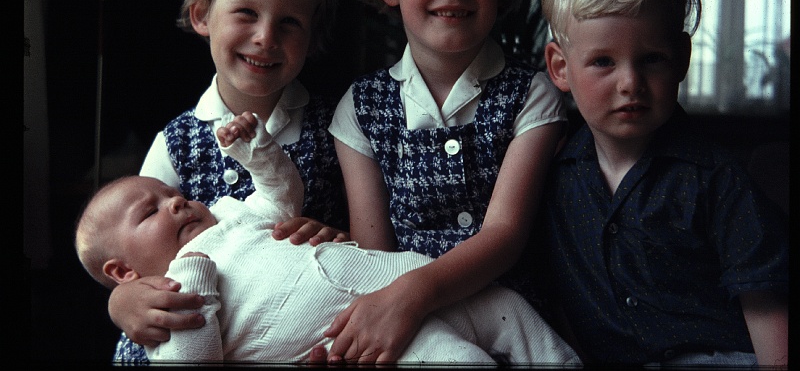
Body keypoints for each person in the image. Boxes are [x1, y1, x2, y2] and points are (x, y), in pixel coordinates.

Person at [76, 112, 581, 365]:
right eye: (151, 211)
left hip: (403, 277)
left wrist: (255, 150)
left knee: (508, 309)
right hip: (357, 334)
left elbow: (280, 192)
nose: (176, 202)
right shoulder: (173, 293)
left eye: (171, 194)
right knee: (459, 359)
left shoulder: (231, 216)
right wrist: (192, 279)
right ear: (123, 272)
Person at [326, 0, 568, 364]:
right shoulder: (360, 109)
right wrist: (402, 309)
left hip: (515, 322)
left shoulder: (532, 95)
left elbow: (504, 237)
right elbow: (373, 254)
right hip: (405, 319)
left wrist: (415, 295)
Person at [107, 0, 349, 364]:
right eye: (246, 13)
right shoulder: (176, 142)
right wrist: (120, 302)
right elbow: (131, 252)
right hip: (202, 330)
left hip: (300, 328)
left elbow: (369, 237)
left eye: (290, 22)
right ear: (201, 16)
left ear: (312, 35)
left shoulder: (337, 125)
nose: (265, 37)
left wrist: (340, 237)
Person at [538, 0, 789, 367]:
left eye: (652, 58)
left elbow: (765, 305)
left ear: (682, 59)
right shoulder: (554, 176)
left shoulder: (715, 177)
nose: (630, 82)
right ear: (561, 68)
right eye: (603, 62)